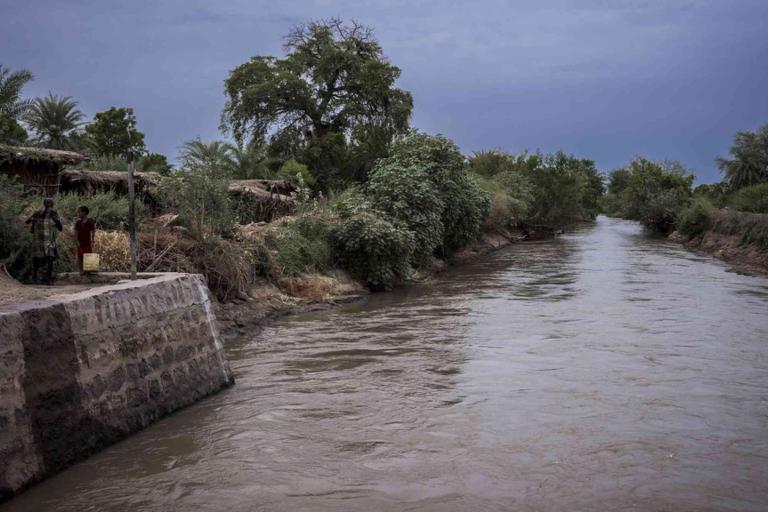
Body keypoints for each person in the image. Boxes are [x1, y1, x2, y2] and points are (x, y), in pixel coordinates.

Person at [26, 197, 63, 284]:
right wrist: (34, 219)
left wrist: (56, 220)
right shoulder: (38, 213)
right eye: (47, 203)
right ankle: (35, 278)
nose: (48, 205)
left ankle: (47, 279)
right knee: (36, 259)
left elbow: (60, 228)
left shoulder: (54, 214)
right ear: (44, 204)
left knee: (50, 259)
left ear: (52, 205)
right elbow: (27, 221)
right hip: (38, 241)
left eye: (50, 203)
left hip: (49, 241)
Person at [74, 205, 96, 274]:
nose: (79, 214)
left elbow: (93, 230)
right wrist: (76, 240)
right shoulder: (78, 222)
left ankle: (88, 270)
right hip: (80, 242)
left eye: (80, 212)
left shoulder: (90, 221)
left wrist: (93, 239)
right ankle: (81, 270)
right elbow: (76, 232)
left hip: (87, 241)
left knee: (87, 255)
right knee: (80, 256)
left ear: (84, 212)